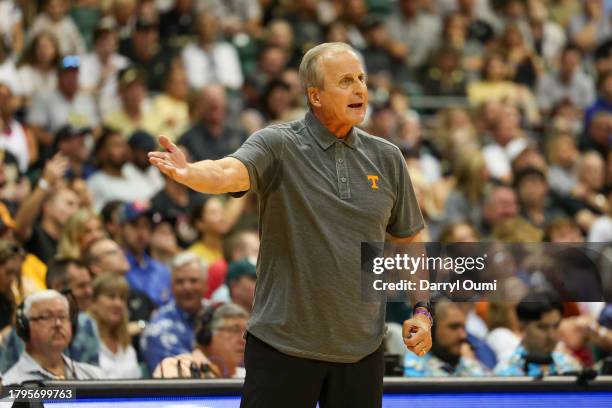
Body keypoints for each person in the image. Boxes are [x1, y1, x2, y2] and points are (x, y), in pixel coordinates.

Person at [149, 42, 431, 407]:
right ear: (315, 95)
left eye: (361, 78)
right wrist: (190, 173)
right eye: (345, 81)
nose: (360, 88)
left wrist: (422, 310)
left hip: (362, 352)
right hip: (283, 348)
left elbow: (409, 240)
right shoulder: (278, 144)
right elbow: (228, 172)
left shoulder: (387, 157)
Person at [2, 290, 103, 385]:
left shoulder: (94, 376)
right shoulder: (10, 384)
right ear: (25, 326)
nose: (58, 324)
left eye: (62, 316)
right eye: (47, 317)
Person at [140, 252, 207, 373]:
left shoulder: (220, 313)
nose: (187, 287)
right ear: (171, 286)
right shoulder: (158, 328)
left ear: (206, 284)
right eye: (180, 282)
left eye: (193, 281)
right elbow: (185, 377)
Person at [495, 292, 582, 376]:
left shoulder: (569, 366)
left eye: (556, 326)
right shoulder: (505, 373)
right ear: (522, 326)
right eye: (543, 327)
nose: (551, 335)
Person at [153, 302, 247, 379]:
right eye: (235, 330)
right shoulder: (178, 367)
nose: (243, 340)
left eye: (246, 333)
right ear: (206, 335)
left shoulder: (245, 376)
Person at [404, 300, 487, 377]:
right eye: (454, 327)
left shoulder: (464, 361)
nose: (463, 336)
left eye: (463, 328)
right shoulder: (413, 367)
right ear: (431, 330)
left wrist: (470, 363)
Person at [88, 273, 141, 379]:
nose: (118, 304)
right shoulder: (85, 341)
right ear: (93, 302)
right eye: (111, 296)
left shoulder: (126, 343)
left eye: (122, 298)